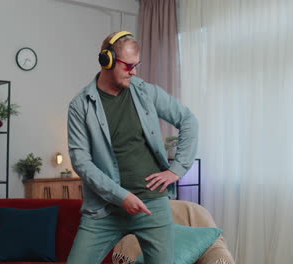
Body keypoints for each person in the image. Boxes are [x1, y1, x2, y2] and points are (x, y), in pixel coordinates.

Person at [66, 31, 198, 263]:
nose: (134, 72)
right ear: (106, 61)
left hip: (152, 205)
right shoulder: (80, 105)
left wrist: (177, 168)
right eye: (128, 66)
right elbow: (82, 162)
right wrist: (121, 196)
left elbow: (188, 120)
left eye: (137, 65)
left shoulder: (144, 90)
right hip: (103, 210)